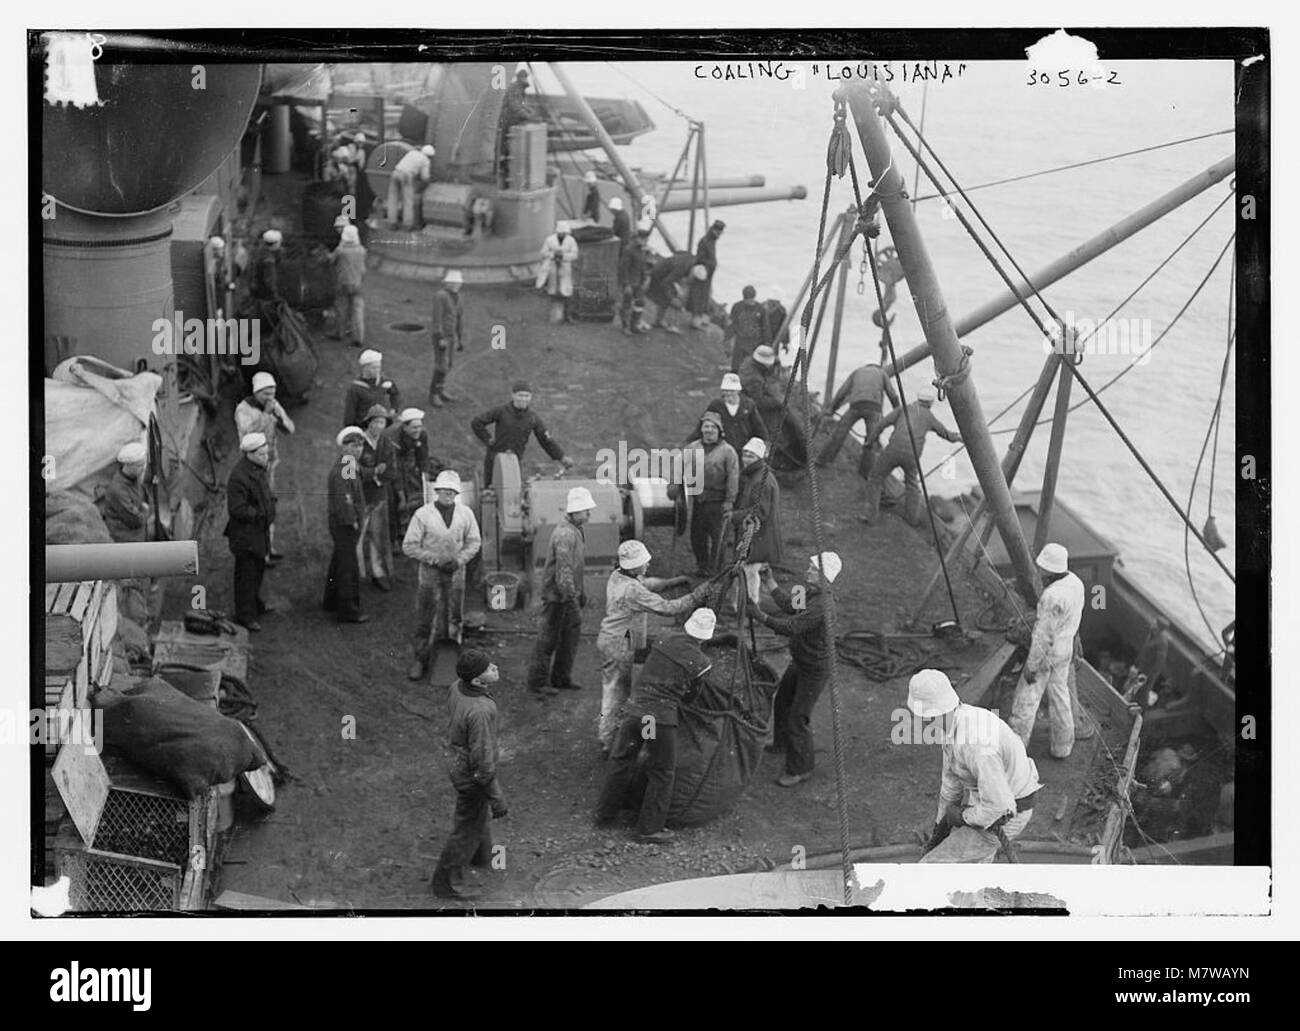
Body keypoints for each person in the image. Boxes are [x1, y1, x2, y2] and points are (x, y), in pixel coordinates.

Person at [594, 608, 717, 843]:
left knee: (621, 760)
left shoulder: (664, 638)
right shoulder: (701, 663)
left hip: (634, 712)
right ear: (706, 636)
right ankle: (648, 828)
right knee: (662, 771)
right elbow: (692, 695)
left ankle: (604, 814)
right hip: (659, 719)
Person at [908, 669, 1043, 864]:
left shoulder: (976, 742)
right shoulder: (953, 724)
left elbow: (1000, 806)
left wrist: (963, 817)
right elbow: (950, 785)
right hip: (987, 799)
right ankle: (974, 893)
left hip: (1007, 812)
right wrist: (940, 829)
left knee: (929, 869)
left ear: (928, 714)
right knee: (971, 872)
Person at [595, 540, 705, 753]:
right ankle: (607, 741)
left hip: (623, 637)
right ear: (634, 566)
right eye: (644, 563)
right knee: (615, 693)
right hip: (617, 643)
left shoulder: (619, 575)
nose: (647, 565)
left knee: (619, 689)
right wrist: (696, 595)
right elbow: (667, 608)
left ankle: (613, 731)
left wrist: (672, 582)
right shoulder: (631, 591)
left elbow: (648, 584)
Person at [752, 552, 840, 787]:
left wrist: (761, 617)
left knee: (798, 716)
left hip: (815, 668)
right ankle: (781, 744)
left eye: (812, 568)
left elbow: (792, 626)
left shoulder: (822, 605)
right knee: (782, 701)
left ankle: (801, 768)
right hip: (801, 660)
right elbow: (789, 606)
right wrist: (769, 581)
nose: (807, 570)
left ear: (824, 576)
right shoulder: (810, 592)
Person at [431, 648, 508, 900]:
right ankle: (446, 883)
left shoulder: (457, 686)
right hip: (470, 773)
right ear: (476, 680)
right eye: (489, 667)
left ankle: (481, 855)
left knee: (475, 813)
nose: (494, 667)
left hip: (455, 760)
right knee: (467, 827)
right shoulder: (481, 711)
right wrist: (497, 796)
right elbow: (483, 762)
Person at [403, 471, 482, 682]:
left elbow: (474, 542)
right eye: (443, 491)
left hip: (456, 573)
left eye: (451, 491)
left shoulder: (465, 514)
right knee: (426, 617)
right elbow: (409, 546)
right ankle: (421, 659)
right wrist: (434, 559)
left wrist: (459, 560)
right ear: (436, 491)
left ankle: (453, 662)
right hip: (430, 574)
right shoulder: (423, 514)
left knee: (455, 616)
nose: (447, 494)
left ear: (456, 493)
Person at [1007, 543, 1085, 759]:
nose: (1039, 572)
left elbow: (1043, 637)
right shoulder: (1076, 583)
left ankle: (1014, 752)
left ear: (1049, 570)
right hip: (1066, 649)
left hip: (1047, 654)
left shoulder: (1052, 597)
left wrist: (1031, 667)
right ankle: (1062, 748)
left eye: (1042, 568)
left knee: (1026, 699)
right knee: (1060, 697)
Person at [526, 486, 595, 697]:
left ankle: (561, 677)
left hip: (568, 594)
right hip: (558, 597)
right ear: (574, 512)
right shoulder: (565, 534)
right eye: (585, 510)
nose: (589, 513)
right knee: (548, 637)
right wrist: (572, 596)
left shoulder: (576, 529)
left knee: (570, 635)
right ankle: (538, 682)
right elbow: (563, 571)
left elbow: (575, 567)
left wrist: (579, 591)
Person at [860, 388, 960, 526]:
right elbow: (946, 434)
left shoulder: (903, 409)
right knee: (912, 485)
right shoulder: (929, 417)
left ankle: (870, 517)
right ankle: (912, 519)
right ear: (930, 404)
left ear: (917, 399)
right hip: (912, 457)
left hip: (893, 450)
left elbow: (881, 424)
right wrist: (960, 438)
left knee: (875, 478)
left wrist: (870, 441)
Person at [235, 371, 294, 562]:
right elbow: (247, 436)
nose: (270, 397)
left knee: (269, 505)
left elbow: (290, 429)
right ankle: (259, 552)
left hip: (269, 464)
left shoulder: (273, 404)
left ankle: (269, 546)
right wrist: (265, 415)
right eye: (266, 394)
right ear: (256, 392)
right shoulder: (243, 409)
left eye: (273, 392)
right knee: (256, 507)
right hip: (252, 466)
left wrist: (279, 416)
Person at [470, 381, 572, 488]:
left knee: (513, 494)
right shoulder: (501, 411)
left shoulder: (532, 418)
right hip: (495, 460)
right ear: (513, 395)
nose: (523, 399)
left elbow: (546, 440)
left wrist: (561, 457)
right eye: (520, 395)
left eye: (526, 396)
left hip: (515, 461)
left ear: (531, 397)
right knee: (490, 494)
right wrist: (488, 439)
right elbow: (477, 422)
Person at [224, 433, 276, 632]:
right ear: (250, 454)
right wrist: (260, 514)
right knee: (246, 575)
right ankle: (245, 615)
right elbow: (237, 509)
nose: (266, 457)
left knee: (257, 570)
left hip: (257, 533)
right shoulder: (239, 477)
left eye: (266, 453)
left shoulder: (256, 468)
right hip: (246, 535)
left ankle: (255, 605)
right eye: (262, 454)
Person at [323, 427, 371, 624]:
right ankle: (347, 610)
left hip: (344, 522)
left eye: (360, 446)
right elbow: (345, 498)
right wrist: (352, 520)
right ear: (343, 447)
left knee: (339, 561)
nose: (357, 450)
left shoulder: (349, 464)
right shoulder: (344, 467)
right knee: (348, 567)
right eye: (352, 446)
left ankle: (330, 601)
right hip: (345, 524)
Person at [682, 411, 738, 577]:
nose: (709, 430)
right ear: (701, 429)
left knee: (718, 539)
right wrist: (674, 484)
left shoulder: (728, 451)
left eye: (712, 427)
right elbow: (680, 467)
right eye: (706, 426)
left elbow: (733, 477)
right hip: (698, 500)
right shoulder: (693, 448)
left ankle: (716, 572)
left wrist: (729, 500)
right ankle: (702, 567)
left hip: (718, 502)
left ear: (719, 430)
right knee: (697, 537)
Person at [817, 359, 900, 471]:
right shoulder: (882, 373)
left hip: (856, 405)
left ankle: (823, 460)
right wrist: (898, 413)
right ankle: (865, 471)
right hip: (874, 408)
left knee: (839, 432)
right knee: (871, 439)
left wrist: (832, 410)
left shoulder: (857, 372)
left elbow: (842, 392)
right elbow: (892, 394)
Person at [729, 438, 782, 607]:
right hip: (757, 535)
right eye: (745, 454)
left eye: (751, 456)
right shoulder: (758, 475)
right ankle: (741, 606)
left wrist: (735, 516)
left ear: (759, 458)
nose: (746, 459)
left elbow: (760, 512)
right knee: (747, 571)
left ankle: (749, 608)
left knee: (749, 572)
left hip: (759, 537)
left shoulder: (760, 481)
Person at [738, 344, 809, 467]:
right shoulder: (752, 377)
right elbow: (758, 402)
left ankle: (803, 453)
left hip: (769, 399)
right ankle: (786, 457)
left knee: (794, 424)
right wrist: (778, 403)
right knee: (777, 429)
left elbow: (774, 361)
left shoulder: (755, 363)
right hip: (754, 406)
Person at [385, 407, 442, 546]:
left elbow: (423, 456)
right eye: (414, 428)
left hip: (405, 457)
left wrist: (425, 478)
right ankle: (394, 537)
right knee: (394, 500)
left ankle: (412, 528)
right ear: (405, 428)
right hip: (387, 461)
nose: (417, 430)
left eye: (419, 427)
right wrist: (400, 495)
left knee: (414, 491)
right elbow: (395, 469)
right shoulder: (391, 438)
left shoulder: (422, 433)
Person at [357, 405, 397, 591]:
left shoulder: (386, 444)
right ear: (368, 422)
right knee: (356, 537)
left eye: (382, 422)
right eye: (376, 422)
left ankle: (378, 573)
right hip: (360, 498)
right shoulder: (355, 442)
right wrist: (373, 472)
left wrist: (372, 475)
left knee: (378, 536)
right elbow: (350, 474)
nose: (379, 426)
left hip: (379, 497)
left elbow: (391, 471)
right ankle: (356, 573)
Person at [681, 372, 767, 457]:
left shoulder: (748, 405)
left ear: (738, 390)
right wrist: (688, 444)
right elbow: (703, 425)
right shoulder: (716, 405)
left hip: (743, 449)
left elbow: (759, 428)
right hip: (722, 450)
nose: (728, 393)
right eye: (726, 390)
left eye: (731, 390)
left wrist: (764, 446)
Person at [97, 441, 151, 544]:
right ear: (129, 466)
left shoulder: (134, 479)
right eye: (140, 465)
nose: (143, 468)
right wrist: (145, 510)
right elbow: (135, 521)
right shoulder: (117, 490)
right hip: (125, 542)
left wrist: (143, 509)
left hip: (137, 537)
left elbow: (145, 499)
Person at [429, 269, 464, 407]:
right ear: (447, 283)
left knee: (448, 365)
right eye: (453, 282)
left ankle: (440, 390)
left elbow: (460, 318)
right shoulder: (441, 296)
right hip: (441, 336)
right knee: (441, 365)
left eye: (458, 283)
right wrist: (440, 337)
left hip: (451, 336)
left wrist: (460, 338)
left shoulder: (459, 297)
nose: (455, 285)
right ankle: (434, 394)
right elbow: (437, 318)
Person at [329, 224, 367, 348]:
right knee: (358, 311)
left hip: (343, 283)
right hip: (357, 283)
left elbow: (332, 260)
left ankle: (339, 333)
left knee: (341, 308)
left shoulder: (340, 250)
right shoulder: (362, 250)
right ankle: (358, 338)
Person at [343, 349, 402, 428]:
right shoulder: (355, 388)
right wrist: (350, 429)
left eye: (379, 367)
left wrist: (393, 409)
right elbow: (350, 413)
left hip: (381, 425)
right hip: (363, 427)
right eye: (374, 368)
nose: (377, 371)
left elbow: (395, 393)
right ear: (365, 368)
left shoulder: (383, 381)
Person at [537, 220, 579, 323]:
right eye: (561, 233)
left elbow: (575, 254)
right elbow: (543, 252)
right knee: (553, 290)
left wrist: (563, 256)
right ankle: (554, 314)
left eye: (564, 233)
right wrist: (553, 255)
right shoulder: (550, 240)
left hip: (565, 268)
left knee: (567, 291)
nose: (562, 235)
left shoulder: (571, 241)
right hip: (553, 268)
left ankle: (568, 315)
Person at [644, 250, 695, 334]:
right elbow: (666, 283)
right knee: (674, 299)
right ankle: (672, 325)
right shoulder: (681, 269)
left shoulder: (690, 258)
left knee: (669, 297)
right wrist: (672, 298)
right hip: (659, 275)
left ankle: (659, 321)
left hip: (663, 271)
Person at [387, 144, 435, 230]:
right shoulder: (426, 160)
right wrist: (424, 186)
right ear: (430, 155)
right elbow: (425, 177)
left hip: (395, 172)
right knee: (408, 201)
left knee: (393, 199)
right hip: (406, 176)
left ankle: (392, 223)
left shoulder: (412, 152)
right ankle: (407, 225)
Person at [723, 286, 770, 373]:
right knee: (736, 367)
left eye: (752, 299)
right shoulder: (737, 307)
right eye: (748, 299)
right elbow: (731, 325)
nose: (750, 302)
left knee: (751, 368)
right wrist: (727, 341)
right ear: (744, 298)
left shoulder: (761, 309)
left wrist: (766, 343)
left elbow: (765, 327)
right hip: (740, 341)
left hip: (755, 343)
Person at [616, 226, 651, 335]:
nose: (645, 241)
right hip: (630, 282)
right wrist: (626, 284)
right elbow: (623, 268)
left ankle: (634, 325)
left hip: (639, 282)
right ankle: (625, 327)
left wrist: (645, 278)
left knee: (640, 303)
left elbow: (643, 266)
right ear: (637, 238)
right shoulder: (628, 250)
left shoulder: (642, 250)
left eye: (646, 239)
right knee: (626, 304)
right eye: (643, 239)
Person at [690, 219, 725, 329]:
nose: (719, 235)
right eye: (718, 232)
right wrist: (709, 263)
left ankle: (702, 318)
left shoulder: (712, 240)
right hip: (702, 273)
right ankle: (696, 319)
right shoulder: (705, 241)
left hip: (708, 274)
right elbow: (700, 258)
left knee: (705, 295)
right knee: (698, 296)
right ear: (714, 230)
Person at [250, 229, 284, 303]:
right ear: (275, 243)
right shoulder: (268, 260)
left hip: (257, 295)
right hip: (266, 298)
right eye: (280, 242)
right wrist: (275, 297)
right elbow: (270, 281)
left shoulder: (260, 253)